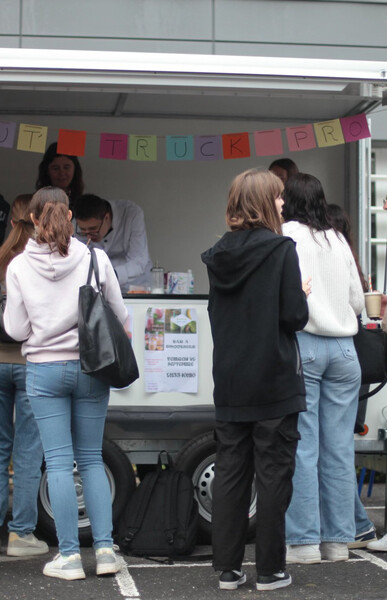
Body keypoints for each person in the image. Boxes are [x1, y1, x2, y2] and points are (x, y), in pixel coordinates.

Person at [4, 186, 129, 580]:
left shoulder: (19, 267)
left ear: (35, 220)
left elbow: (16, 327)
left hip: (43, 370)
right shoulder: (95, 257)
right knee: (91, 459)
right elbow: (120, 316)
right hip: (91, 367)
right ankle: (106, 551)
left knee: (57, 462)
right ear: (70, 215)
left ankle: (70, 557)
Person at [201, 169, 309, 592]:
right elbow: (293, 316)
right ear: (265, 203)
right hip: (274, 380)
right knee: (273, 475)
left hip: (229, 379)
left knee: (230, 473)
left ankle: (228, 570)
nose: (283, 204)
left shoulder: (215, 255)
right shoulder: (282, 250)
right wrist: (302, 291)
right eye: (279, 198)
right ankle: (270, 570)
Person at [282, 174, 364, 564]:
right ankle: (337, 542)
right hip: (346, 351)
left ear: (289, 200)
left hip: (307, 345)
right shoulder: (337, 239)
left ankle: (303, 543)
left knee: (303, 447)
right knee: (339, 449)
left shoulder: (285, 236)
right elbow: (357, 300)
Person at [326, 203, 377, 550]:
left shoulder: (333, 262)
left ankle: (358, 525)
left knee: (335, 451)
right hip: (355, 367)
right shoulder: (352, 265)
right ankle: (357, 524)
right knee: (338, 450)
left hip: (345, 365)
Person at [0, 194, 48, 557]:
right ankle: (21, 535)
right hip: (30, 361)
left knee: (0, 448)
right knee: (28, 449)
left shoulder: (1, 259)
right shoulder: (40, 261)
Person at [74, 193, 153, 293]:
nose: (88, 236)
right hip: (98, 289)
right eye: (83, 230)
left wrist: (110, 276)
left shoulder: (131, 214)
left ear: (106, 218)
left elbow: (138, 260)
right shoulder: (75, 226)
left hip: (136, 287)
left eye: (93, 229)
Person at [36, 142, 84, 211]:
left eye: (66, 167)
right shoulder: (37, 203)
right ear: (47, 171)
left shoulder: (84, 205)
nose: (62, 173)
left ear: (75, 169)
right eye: (55, 168)